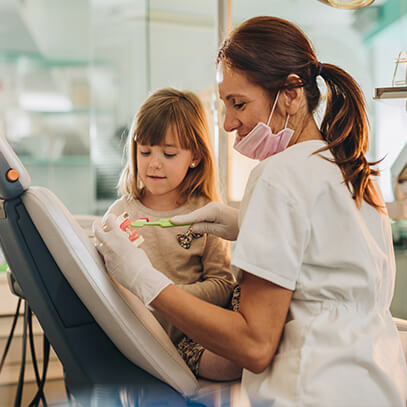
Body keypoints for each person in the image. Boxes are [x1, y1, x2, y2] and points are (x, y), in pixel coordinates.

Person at [94, 17, 407, 406]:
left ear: (291, 94)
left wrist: (141, 277)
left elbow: (255, 345)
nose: (227, 124)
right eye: (224, 105)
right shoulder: (353, 169)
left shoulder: (278, 176)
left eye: (238, 103)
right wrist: (243, 225)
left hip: (311, 391)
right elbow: (328, 265)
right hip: (380, 386)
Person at [101, 87, 241, 381]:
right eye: (145, 151)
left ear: (195, 157)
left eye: (168, 153)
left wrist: (166, 296)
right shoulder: (119, 214)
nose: (154, 163)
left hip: (189, 339)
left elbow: (221, 285)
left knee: (232, 365)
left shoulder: (207, 216)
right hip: (137, 340)